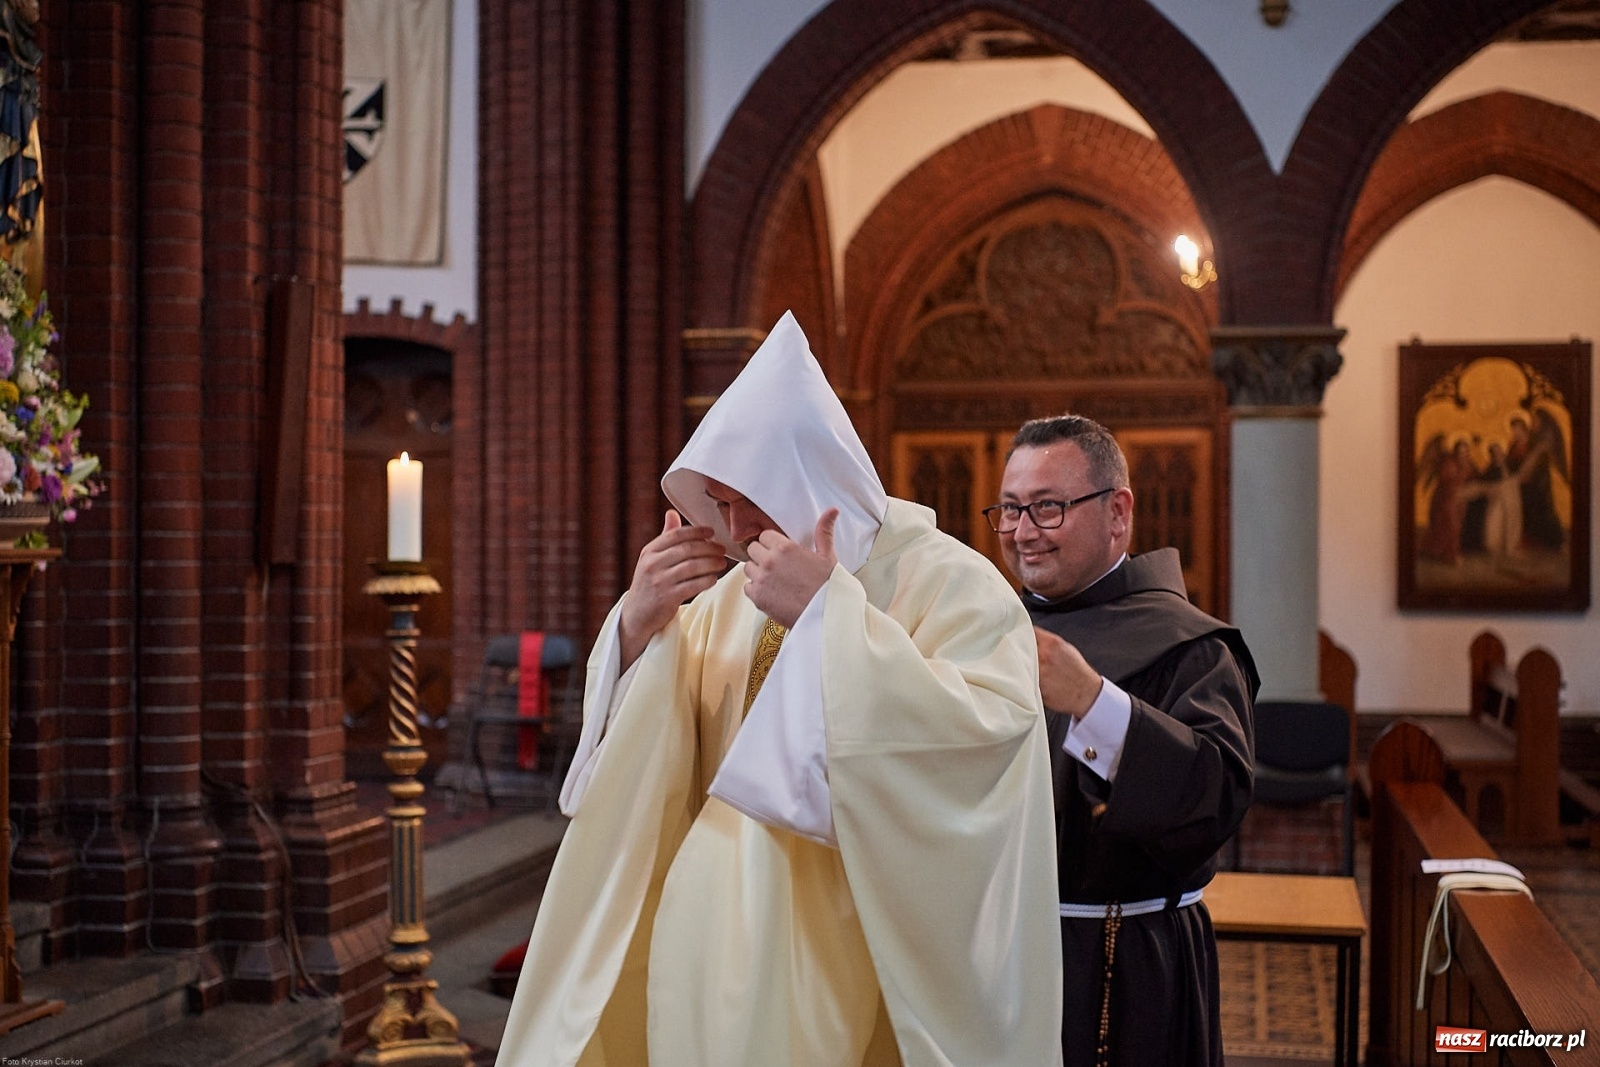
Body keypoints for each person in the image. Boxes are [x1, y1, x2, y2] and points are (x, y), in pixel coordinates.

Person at [497, 311, 1063, 1067]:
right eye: (717, 505)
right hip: (712, 950)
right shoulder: (732, 599)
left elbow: (984, 744)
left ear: (808, 478)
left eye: (747, 500)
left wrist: (829, 616)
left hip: (863, 954)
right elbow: (655, 751)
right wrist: (639, 626)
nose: (731, 530)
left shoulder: (953, 583)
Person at [987, 414, 1257, 1067]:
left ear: (1118, 512)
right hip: (997, 956)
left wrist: (1092, 700)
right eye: (1011, 509)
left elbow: (1216, 795)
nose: (1024, 532)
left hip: (1126, 958)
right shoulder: (983, 628)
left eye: (1048, 508)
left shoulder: (1191, 646)